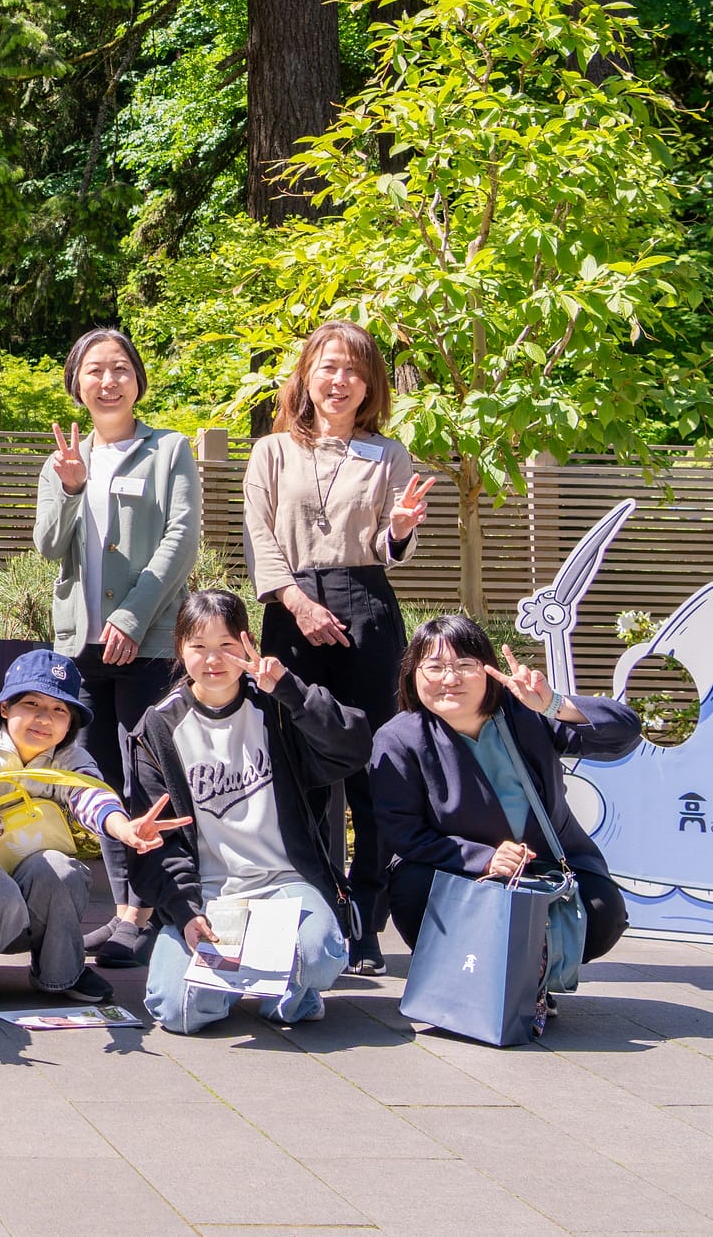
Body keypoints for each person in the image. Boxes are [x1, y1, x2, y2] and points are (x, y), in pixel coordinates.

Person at [243, 319, 437, 972]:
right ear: (307, 376)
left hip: (366, 606)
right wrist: (298, 604)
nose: (340, 380)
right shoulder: (273, 451)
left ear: (370, 384)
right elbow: (259, 534)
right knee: (298, 763)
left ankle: (365, 921)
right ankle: (314, 906)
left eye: (354, 369)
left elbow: (391, 544)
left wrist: (399, 529)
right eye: (328, 366)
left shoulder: (389, 454)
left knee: (373, 765)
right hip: (290, 607)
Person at [34, 327, 201, 970]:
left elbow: (181, 539)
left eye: (120, 369)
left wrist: (131, 618)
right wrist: (72, 488)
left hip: (148, 641)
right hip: (80, 644)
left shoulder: (169, 450)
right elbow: (49, 546)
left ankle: (145, 912)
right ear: (76, 383)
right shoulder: (63, 460)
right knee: (100, 779)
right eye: (95, 370)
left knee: (147, 776)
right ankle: (127, 905)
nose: (108, 381)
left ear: (138, 380)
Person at [129, 591, 370, 1033]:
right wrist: (185, 911)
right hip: (210, 895)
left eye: (226, 645)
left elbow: (352, 748)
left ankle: (284, 988)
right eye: (199, 646)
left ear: (248, 644)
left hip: (285, 884)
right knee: (177, 1010)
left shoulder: (275, 704)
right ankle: (250, 978)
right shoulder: (158, 727)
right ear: (180, 648)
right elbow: (154, 842)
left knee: (318, 956)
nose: (213, 659)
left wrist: (291, 691)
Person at [0, 649, 183, 1005]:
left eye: (59, 710)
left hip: (30, 895)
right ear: (5, 707)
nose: (44, 718)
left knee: (61, 872)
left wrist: (124, 829)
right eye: (32, 704)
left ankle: (61, 972)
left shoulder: (71, 758)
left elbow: (92, 796)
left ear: (71, 722)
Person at [369, 614, 638, 976]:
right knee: (413, 890)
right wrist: (484, 858)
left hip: (546, 864)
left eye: (464, 665)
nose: (449, 679)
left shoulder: (526, 713)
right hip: (456, 868)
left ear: (488, 670)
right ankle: (475, 978)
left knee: (602, 912)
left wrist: (553, 704)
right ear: (412, 674)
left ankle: (534, 974)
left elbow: (625, 731)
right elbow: (402, 832)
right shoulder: (400, 738)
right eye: (434, 667)